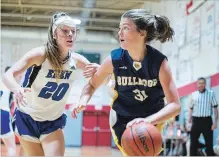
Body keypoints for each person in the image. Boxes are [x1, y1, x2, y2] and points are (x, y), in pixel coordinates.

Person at [72, 9, 181, 156]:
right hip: (122, 118)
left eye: (125, 28)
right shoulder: (114, 59)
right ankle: (112, 80)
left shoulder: (159, 63)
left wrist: (146, 122)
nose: (119, 33)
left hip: (152, 118)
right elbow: (92, 84)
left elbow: (175, 105)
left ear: (142, 33)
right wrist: (83, 100)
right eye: (119, 28)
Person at [2, 12, 99, 156]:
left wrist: (100, 70)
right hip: (27, 116)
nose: (70, 34)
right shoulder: (39, 55)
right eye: (65, 31)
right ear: (54, 34)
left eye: (73, 31)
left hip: (53, 120)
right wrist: (16, 89)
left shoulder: (77, 61)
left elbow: (99, 78)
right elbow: (8, 75)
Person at [188, 77, 218, 156]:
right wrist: (188, 122)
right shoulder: (193, 95)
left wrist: (215, 122)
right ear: (197, 84)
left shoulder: (211, 94)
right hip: (196, 121)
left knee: (209, 144)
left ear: (205, 84)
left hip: (207, 121)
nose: (201, 85)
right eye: (199, 83)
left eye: (203, 83)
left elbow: (215, 108)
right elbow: (190, 109)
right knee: (193, 143)